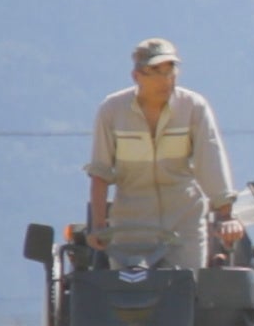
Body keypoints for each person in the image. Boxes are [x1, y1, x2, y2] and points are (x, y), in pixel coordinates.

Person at [85, 37, 244, 268]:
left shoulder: (193, 106)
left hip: (184, 223)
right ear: (137, 76)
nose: (166, 79)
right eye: (156, 72)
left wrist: (226, 216)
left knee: (186, 285)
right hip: (131, 225)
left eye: (170, 70)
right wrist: (98, 226)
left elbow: (210, 160)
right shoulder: (112, 110)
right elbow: (100, 171)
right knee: (130, 287)